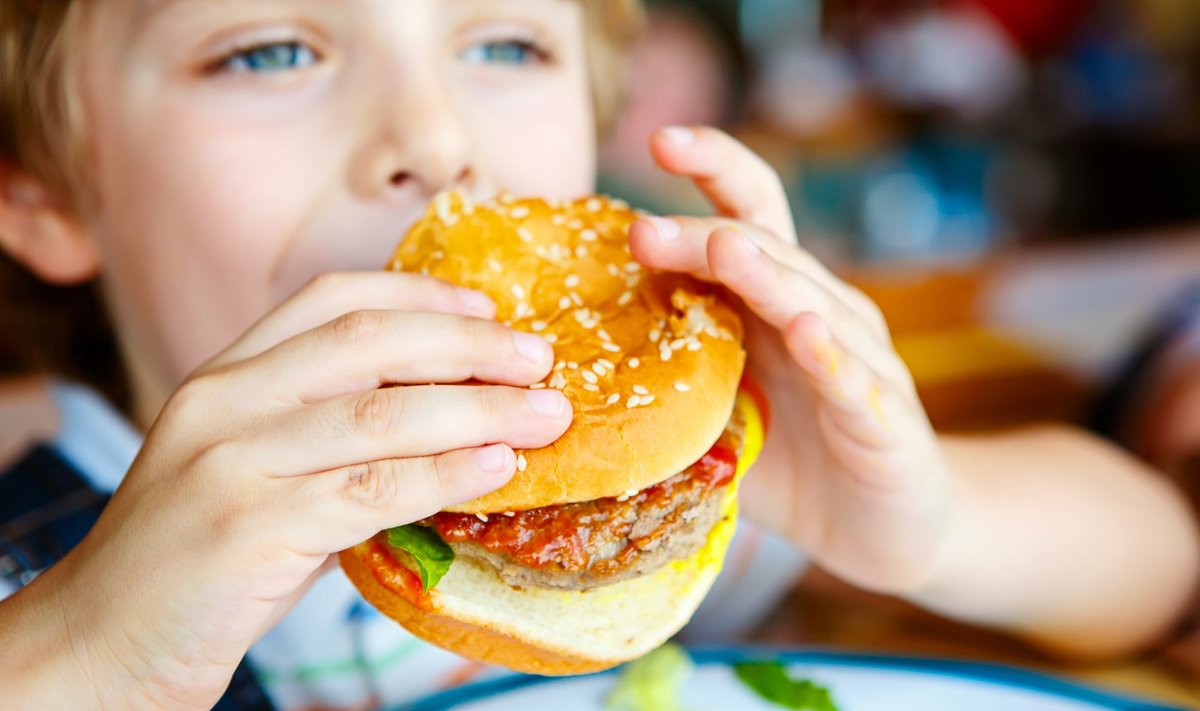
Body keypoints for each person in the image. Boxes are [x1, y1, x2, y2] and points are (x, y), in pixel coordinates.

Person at [0, 2, 1196, 709]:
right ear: (43, 187)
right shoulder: (38, 557)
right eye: (269, 51)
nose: (435, 139)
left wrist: (930, 524)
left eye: (508, 44)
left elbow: (1159, 564)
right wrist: (88, 651)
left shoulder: (627, 495)